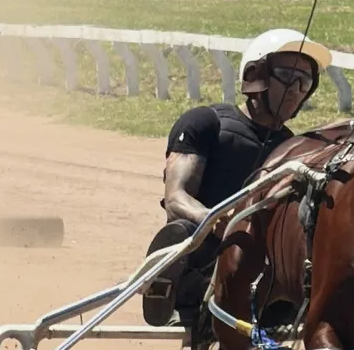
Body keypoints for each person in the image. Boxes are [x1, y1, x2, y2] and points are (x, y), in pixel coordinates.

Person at [141, 28, 333, 327]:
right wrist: (215, 219)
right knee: (183, 228)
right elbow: (176, 198)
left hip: (258, 265)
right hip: (203, 250)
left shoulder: (292, 149)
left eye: (305, 80)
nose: (296, 88)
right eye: (287, 74)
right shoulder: (205, 123)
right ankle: (168, 285)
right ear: (257, 75)